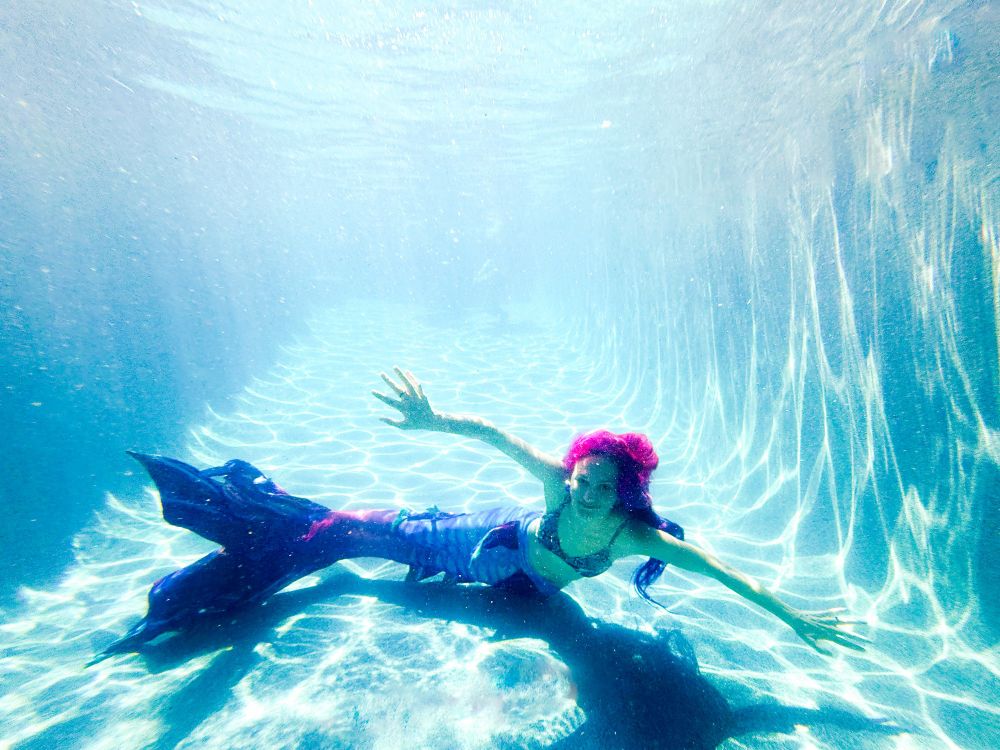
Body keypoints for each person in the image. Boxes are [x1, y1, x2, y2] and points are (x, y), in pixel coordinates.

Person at [95, 368, 864, 662]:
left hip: (521, 584)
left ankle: (275, 543)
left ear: (625, 492)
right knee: (358, 534)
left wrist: (794, 618)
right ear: (572, 473)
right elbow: (495, 437)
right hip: (480, 541)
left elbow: (723, 573)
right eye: (583, 480)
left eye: (603, 488)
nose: (588, 494)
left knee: (374, 547)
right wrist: (434, 421)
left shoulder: (633, 532)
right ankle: (265, 533)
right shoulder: (556, 487)